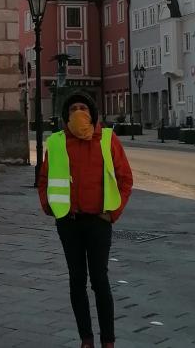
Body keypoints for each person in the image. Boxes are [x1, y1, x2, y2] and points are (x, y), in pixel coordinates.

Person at [37, 92, 134, 348]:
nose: (79, 112)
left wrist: (112, 213)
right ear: (66, 116)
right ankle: (86, 339)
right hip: (69, 221)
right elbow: (45, 178)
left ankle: (108, 340)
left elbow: (125, 179)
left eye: (83, 108)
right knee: (76, 279)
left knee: (100, 279)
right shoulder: (57, 142)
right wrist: (50, 207)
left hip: (98, 221)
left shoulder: (107, 139)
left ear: (92, 113)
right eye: (73, 109)